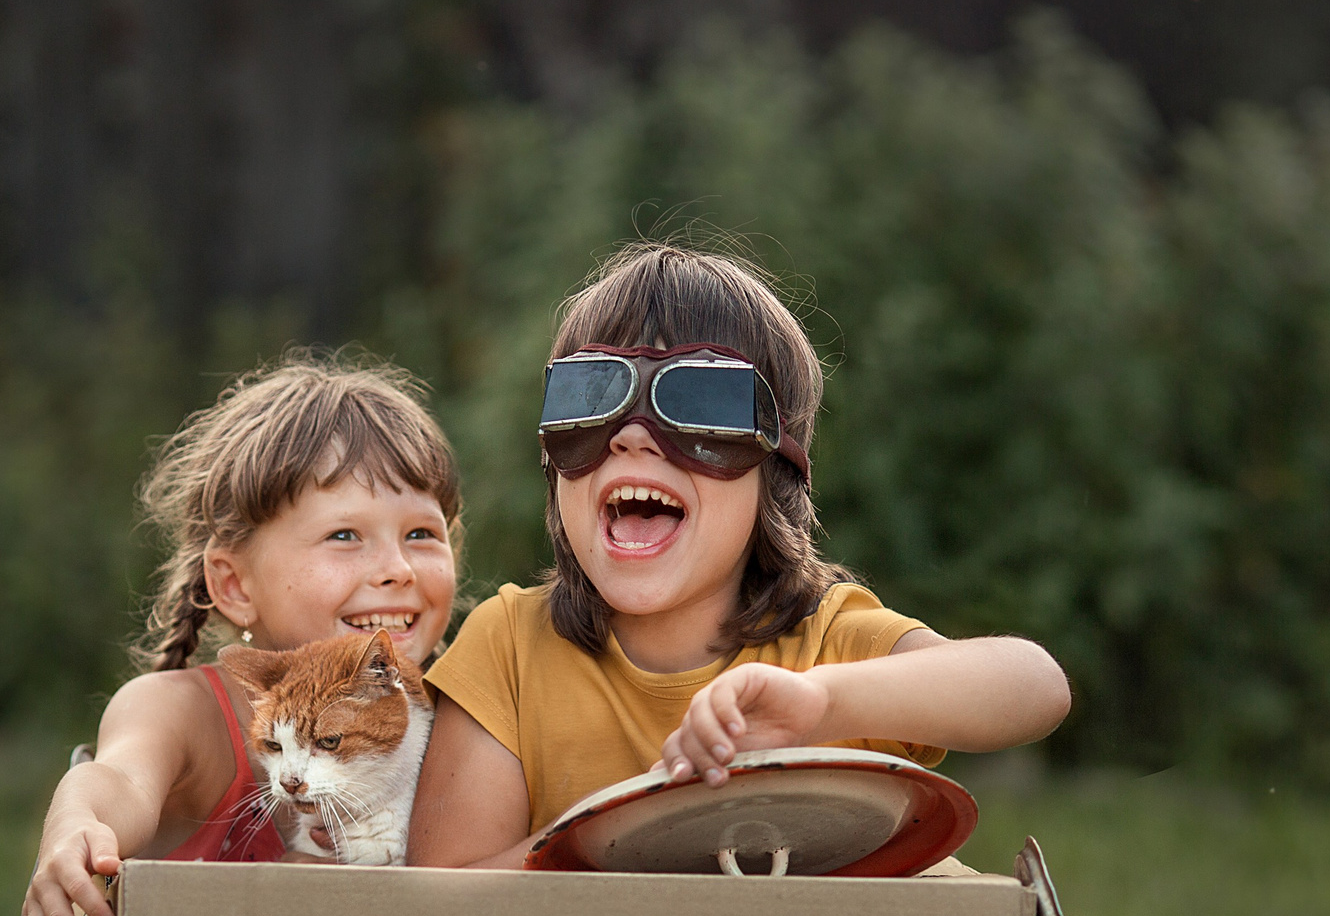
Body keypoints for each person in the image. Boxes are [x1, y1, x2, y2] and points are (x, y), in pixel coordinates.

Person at [407, 242, 1069, 868]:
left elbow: (1036, 685)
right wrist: (634, 830)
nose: (633, 437)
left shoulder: (823, 646)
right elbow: (441, 900)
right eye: (592, 395)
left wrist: (822, 706)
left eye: (700, 402)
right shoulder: (509, 649)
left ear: (775, 474)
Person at [23, 354, 461, 916]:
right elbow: (117, 781)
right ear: (233, 584)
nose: (398, 568)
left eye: (422, 534)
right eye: (344, 535)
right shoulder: (182, 712)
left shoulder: (462, 715)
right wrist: (74, 828)